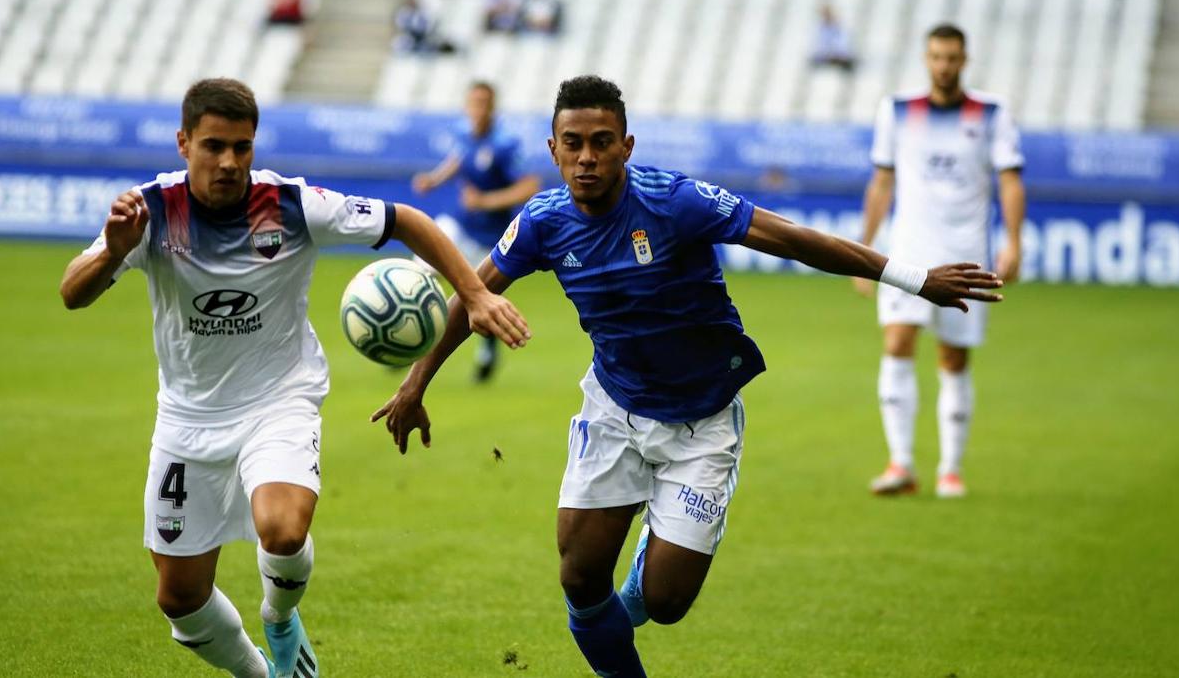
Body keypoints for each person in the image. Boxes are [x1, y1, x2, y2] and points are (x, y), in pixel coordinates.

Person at [377, 75, 1004, 676]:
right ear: (553, 149)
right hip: (615, 409)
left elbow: (786, 237)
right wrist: (415, 383)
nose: (587, 158)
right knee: (578, 576)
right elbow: (471, 292)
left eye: (602, 142)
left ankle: (654, 559)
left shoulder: (673, 201)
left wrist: (914, 279)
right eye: (573, 144)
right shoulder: (543, 222)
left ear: (627, 145)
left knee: (667, 603)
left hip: (702, 420)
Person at [59, 78, 529, 678]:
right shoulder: (149, 210)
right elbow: (73, 292)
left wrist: (473, 293)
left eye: (242, 147)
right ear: (183, 143)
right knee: (180, 602)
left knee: (281, 531)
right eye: (213, 147)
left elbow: (406, 219)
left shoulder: (289, 204)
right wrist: (110, 251)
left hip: (278, 399)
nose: (229, 161)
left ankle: (280, 618)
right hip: (187, 418)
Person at [856, 24, 1026, 499]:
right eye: (936, 57)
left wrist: (1013, 241)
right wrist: (864, 249)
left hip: (967, 251)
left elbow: (1010, 181)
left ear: (964, 60)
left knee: (953, 357)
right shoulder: (897, 110)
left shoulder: (992, 113)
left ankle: (950, 468)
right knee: (897, 342)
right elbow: (882, 182)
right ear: (926, 59)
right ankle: (901, 464)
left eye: (952, 58)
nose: (944, 66)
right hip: (908, 250)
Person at [411, 81, 541, 381]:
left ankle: (487, 352)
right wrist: (434, 179)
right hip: (461, 225)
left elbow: (529, 185)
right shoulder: (463, 133)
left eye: (484, 103)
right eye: (473, 102)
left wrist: (485, 201)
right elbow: (459, 159)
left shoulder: (505, 143)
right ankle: (407, 332)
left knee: (479, 296)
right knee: (421, 267)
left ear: (493, 107)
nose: (478, 109)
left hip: (491, 237)